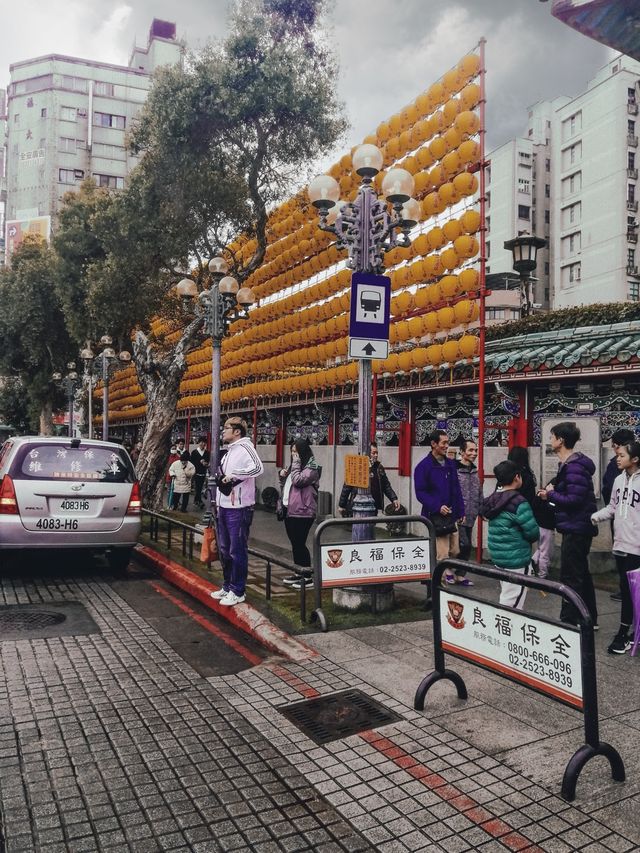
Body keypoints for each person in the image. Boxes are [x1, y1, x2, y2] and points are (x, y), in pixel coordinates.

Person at [538, 422, 598, 627]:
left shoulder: (573, 467)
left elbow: (574, 500)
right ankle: (589, 617)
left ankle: (570, 620)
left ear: (561, 440)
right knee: (581, 572)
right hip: (577, 525)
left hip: (576, 526)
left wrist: (551, 494)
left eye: (552, 436)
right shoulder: (570, 465)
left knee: (571, 575)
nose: (550, 440)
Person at [592, 440, 640, 654]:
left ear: (635, 459)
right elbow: (612, 507)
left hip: (637, 547)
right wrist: (595, 517)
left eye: (621, 455)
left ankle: (625, 633)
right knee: (627, 591)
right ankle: (628, 631)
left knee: (634, 594)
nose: (617, 458)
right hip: (620, 544)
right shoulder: (619, 480)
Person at [209, 417, 264, 607]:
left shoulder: (246, 448)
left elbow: (258, 467)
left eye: (226, 428)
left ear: (237, 431)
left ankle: (238, 590)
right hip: (224, 506)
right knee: (224, 549)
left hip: (240, 508)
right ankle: (227, 586)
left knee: (236, 549)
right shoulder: (228, 452)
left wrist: (235, 475)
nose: (223, 431)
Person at [482, 460, 539, 610]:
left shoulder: (493, 499)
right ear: (517, 477)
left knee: (507, 594)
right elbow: (533, 532)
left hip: (499, 557)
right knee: (511, 603)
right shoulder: (519, 502)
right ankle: (502, 629)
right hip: (516, 559)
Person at [414, 429, 465, 578]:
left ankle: (445, 572)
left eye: (447, 442)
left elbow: (456, 489)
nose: (446, 446)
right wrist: (436, 506)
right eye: (443, 443)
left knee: (455, 549)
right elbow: (420, 492)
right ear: (433, 444)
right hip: (435, 516)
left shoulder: (450, 464)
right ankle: (442, 579)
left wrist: (461, 511)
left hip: (451, 514)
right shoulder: (423, 467)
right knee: (442, 552)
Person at [279, 439, 322, 590]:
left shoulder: (311, 468)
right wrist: (283, 474)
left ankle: (307, 575)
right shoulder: (295, 467)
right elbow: (288, 485)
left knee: (299, 543)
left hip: (303, 511)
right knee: (295, 544)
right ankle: (299, 572)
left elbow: (297, 481)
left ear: (303, 452)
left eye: (296, 452)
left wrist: (294, 465)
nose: (293, 455)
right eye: (291, 452)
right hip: (290, 510)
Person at [508, 445, 555, 578]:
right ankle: (526, 570)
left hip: (508, 515)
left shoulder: (506, 474)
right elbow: (529, 499)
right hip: (524, 515)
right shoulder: (527, 475)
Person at [602, 429, 635, 602]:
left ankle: (626, 591)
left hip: (623, 522)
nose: (616, 453)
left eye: (615, 446)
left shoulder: (616, 466)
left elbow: (607, 490)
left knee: (624, 561)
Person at [338, 441, 401, 517]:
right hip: (357, 506)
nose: (376, 455)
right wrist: (342, 505)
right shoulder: (357, 465)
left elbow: (386, 486)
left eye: (377, 453)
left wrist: (394, 498)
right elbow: (346, 487)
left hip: (373, 507)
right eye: (373, 453)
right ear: (367, 453)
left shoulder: (379, 467)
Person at [455, 439, 483, 583]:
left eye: (475, 450)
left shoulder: (474, 471)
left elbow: (479, 492)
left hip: (471, 515)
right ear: (462, 452)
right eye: (470, 450)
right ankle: (448, 571)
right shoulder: (455, 470)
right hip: (458, 516)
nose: (474, 453)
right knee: (461, 545)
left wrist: (481, 509)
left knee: (466, 546)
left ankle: (460, 575)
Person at [190, 436, 210, 509]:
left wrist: (206, 463)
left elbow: (208, 462)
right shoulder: (194, 452)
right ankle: (198, 501)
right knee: (197, 487)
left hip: (203, 472)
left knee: (201, 487)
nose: (202, 444)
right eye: (201, 442)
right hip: (196, 472)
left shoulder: (207, 452)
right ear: (199, 443)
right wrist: (199, 462)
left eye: (204, 442)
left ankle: (197, 501)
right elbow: (191, 462)